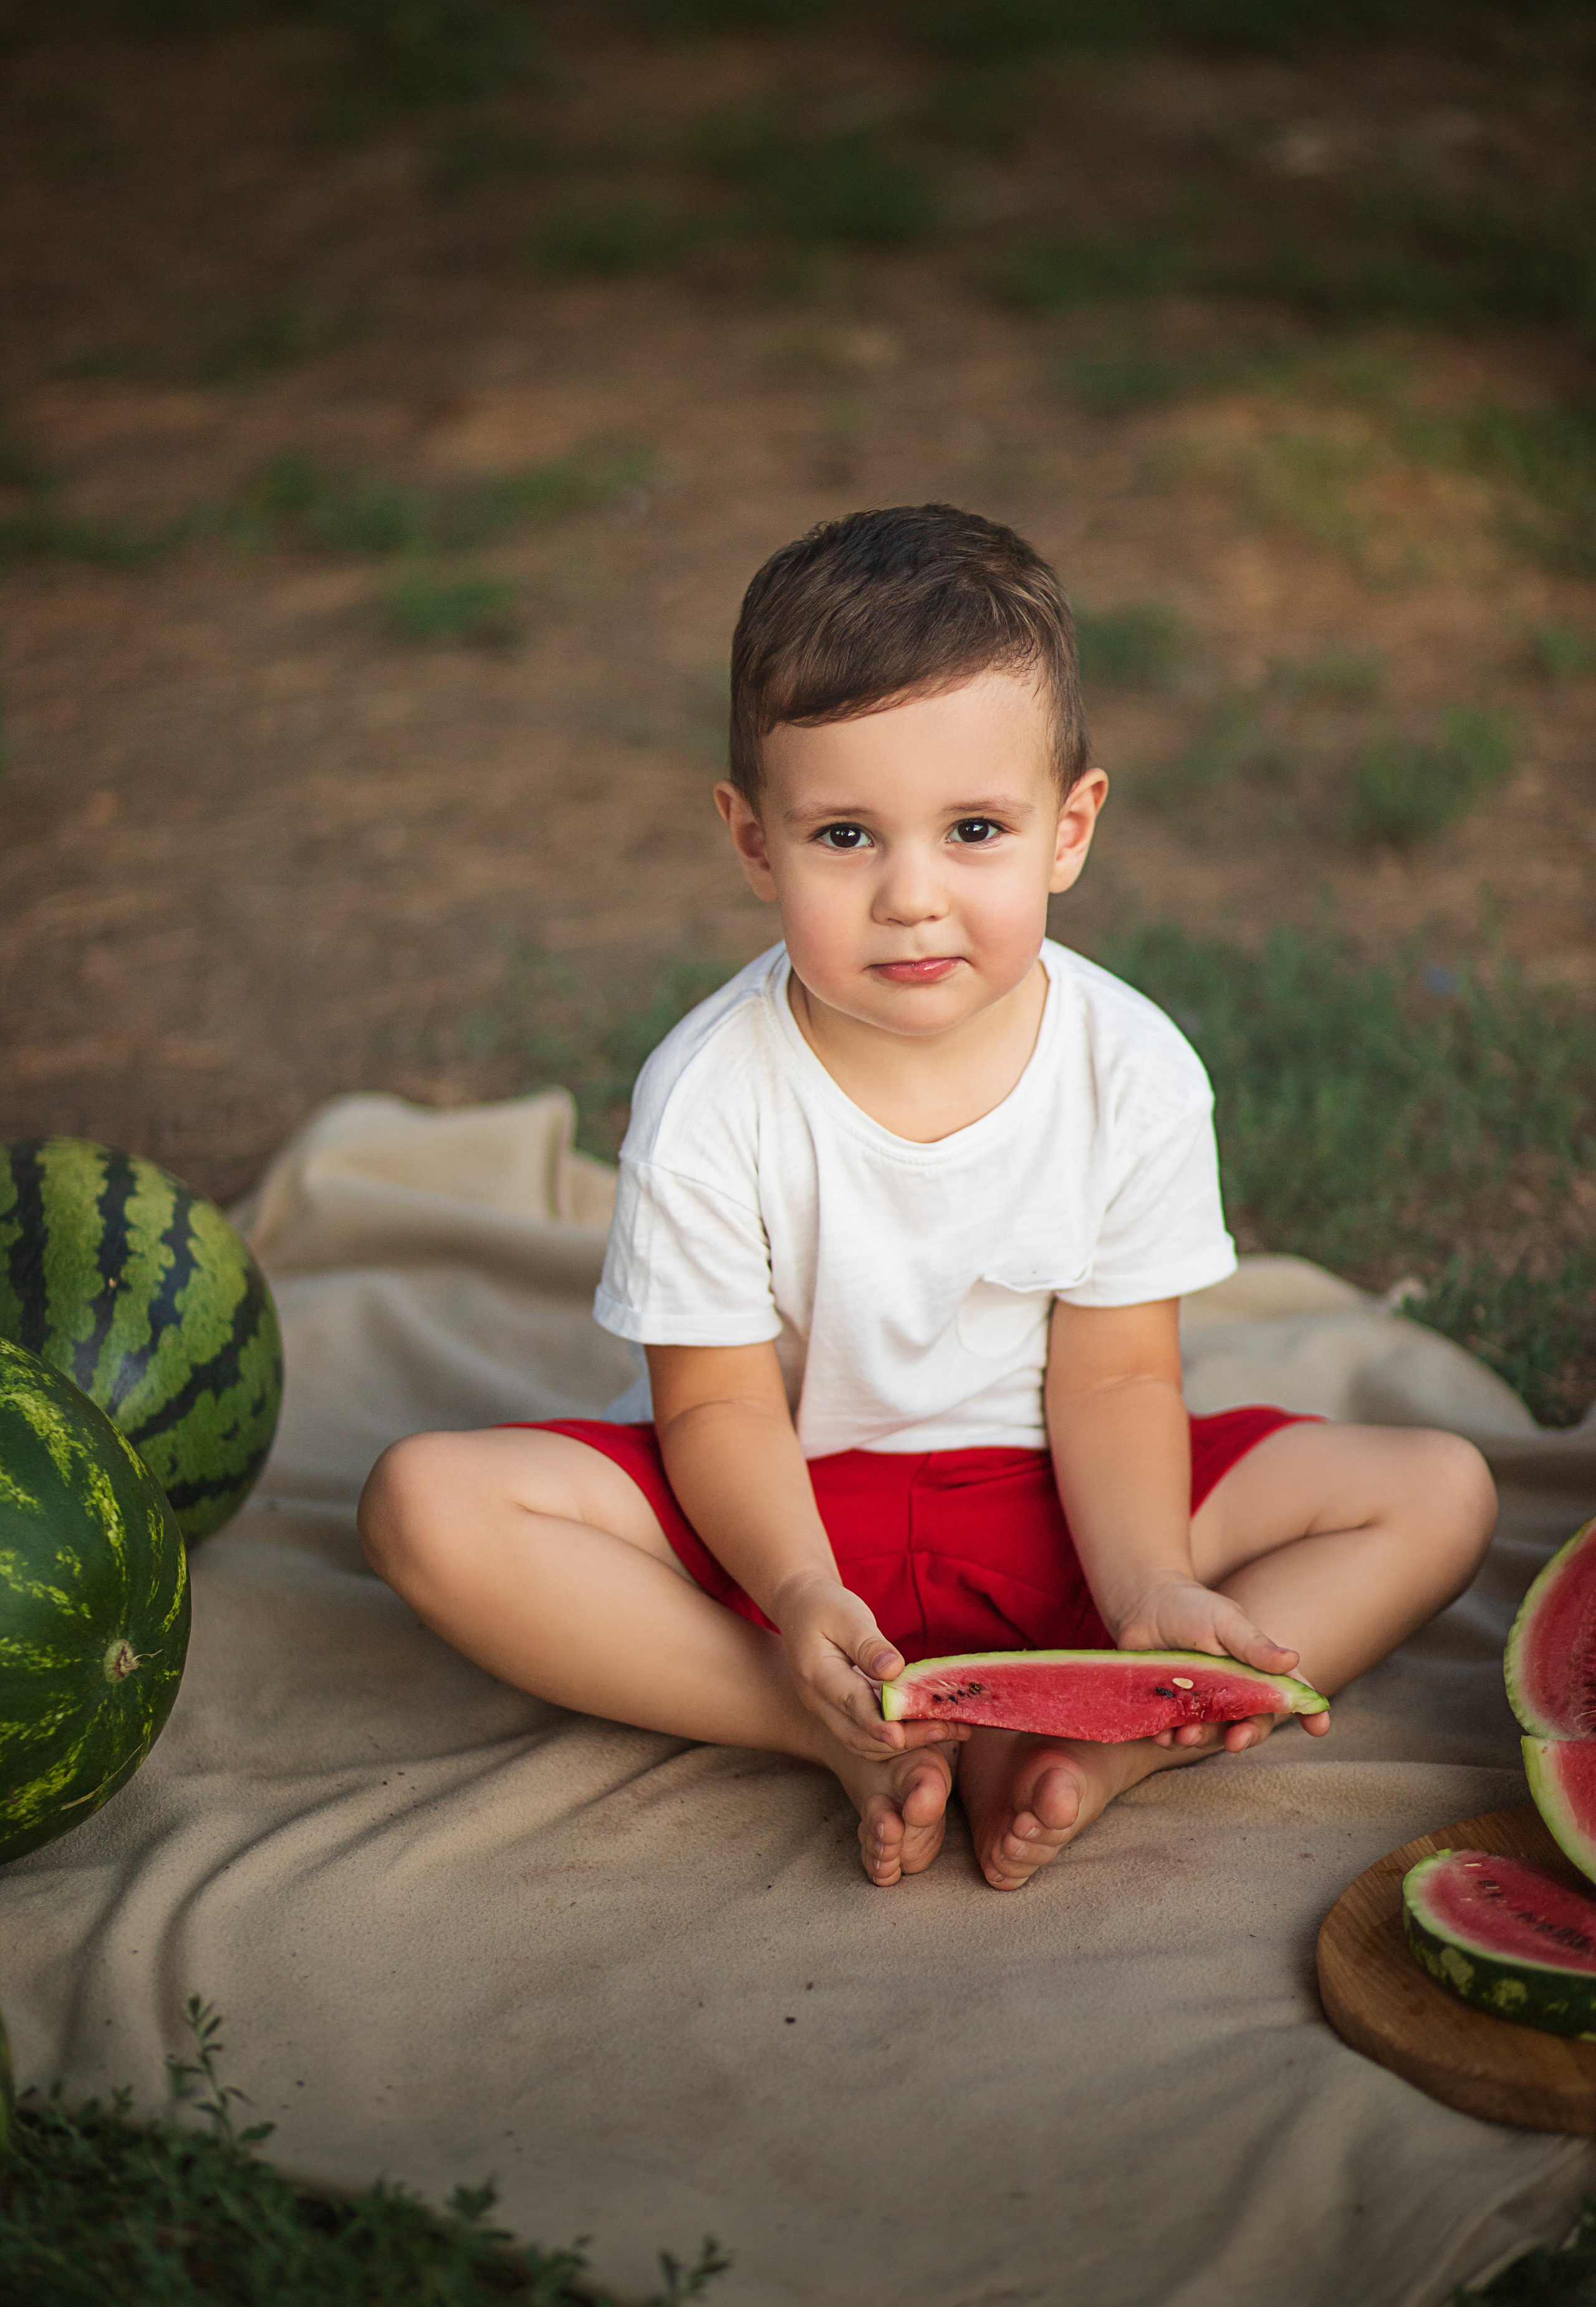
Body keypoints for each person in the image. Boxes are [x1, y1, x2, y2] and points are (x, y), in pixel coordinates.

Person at [358, 504, 1497, 1892]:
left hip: (1059, 1508)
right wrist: (790, 1593)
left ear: (1067, 829)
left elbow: (1117, 1384)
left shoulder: (1127, 1066)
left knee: (1435, 1490)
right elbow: (713, 1403)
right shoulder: (711, 1089)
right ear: (751, 842)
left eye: (971, 829)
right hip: (780, 1512)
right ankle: (834, 1727)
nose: (910, 896)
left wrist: (1141, 1584)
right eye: (844, 834)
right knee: (423, 1505)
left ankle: (1095, 1739)